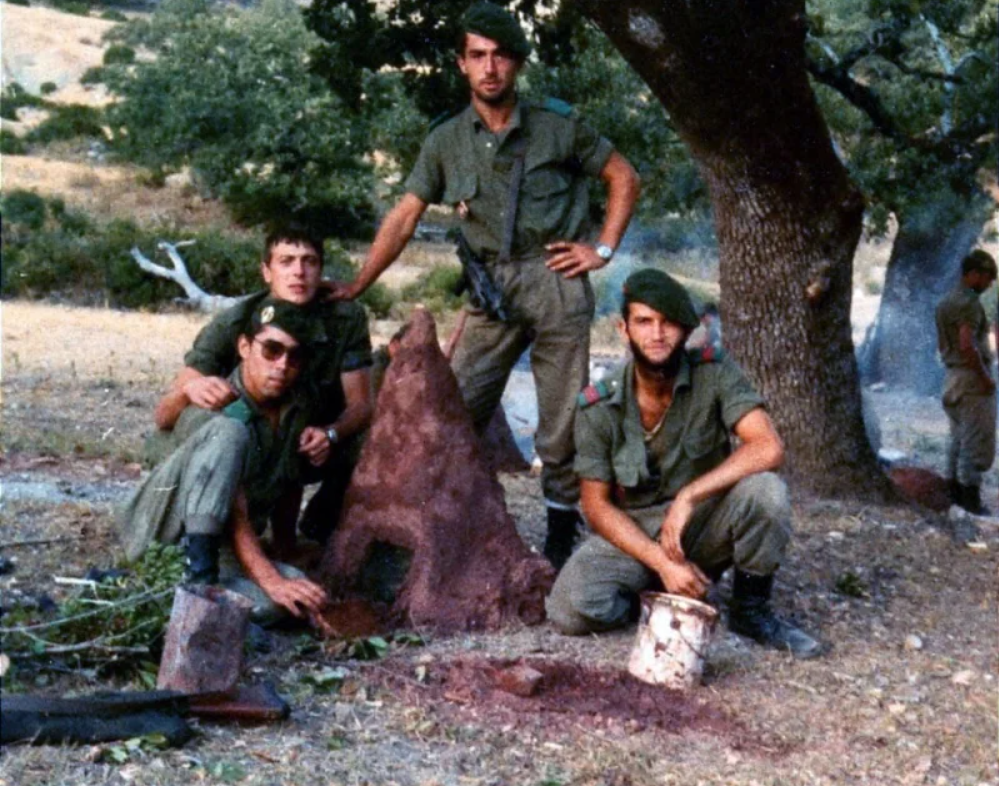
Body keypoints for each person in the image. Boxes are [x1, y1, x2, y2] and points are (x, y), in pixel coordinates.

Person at [332, 3, 640, 568]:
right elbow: (404, 215)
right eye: (477, 56)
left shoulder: (556, 125)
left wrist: (601, 249)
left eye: (500, 56)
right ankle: (435, 525)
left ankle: (558, 537)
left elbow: (623, 175)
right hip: (490, 288)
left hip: (554, 278)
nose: (490, 67)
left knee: (561, 424)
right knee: (450, 407)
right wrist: (359, 282)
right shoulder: (446, 140)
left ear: (516, 63)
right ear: (461, 64)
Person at [546, 269, 823, 659]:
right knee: (570, 608)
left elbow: (768, 447)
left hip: (702, 521)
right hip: (638, 533)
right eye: (644, 321)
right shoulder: (599, 404)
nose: (657, 334)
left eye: (669, 322)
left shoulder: (714, 372)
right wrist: (661, 560)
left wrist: (689, 496)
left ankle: (751, 610)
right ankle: (657, 597)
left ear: (686, 330)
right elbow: (595, 505)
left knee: (766, 491)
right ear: (623, 329)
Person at [151, 225, 373, 547]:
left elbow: (361, 404)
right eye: (286, 261)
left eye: (309, 261)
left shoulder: (344, 318)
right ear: (266, 272)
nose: (298, 272)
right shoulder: (236, 321)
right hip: (251, 441)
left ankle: (322, 528)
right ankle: (212, 535)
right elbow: (171, 405)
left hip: (312, 437)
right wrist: (194, 388)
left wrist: (331, 433)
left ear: (321, 270)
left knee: (374, 440)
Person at [120, 300, 331, 626]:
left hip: (221, 547)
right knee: (229, 432)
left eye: (295, 356)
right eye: (272, 350)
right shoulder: (213, 400)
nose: (282, 365)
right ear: (245, 347)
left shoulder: (294, 409)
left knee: (294, 599)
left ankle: (186, 596)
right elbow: (234, 510)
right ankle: (195, 586)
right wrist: (270, 580)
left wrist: (284, 555)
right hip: (163, 535)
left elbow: (288, 484)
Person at [934, 249, 997, 515]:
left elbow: (943, 344)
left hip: (952, 377)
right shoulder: (969, 303)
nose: (989, 284)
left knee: (957, 440)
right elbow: (966, 344)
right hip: (971, 380)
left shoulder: (946, 301)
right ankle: (970, 502)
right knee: (974, 442)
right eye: (987, 278)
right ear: (973, 274)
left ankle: (953, 496)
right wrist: (984, 378)